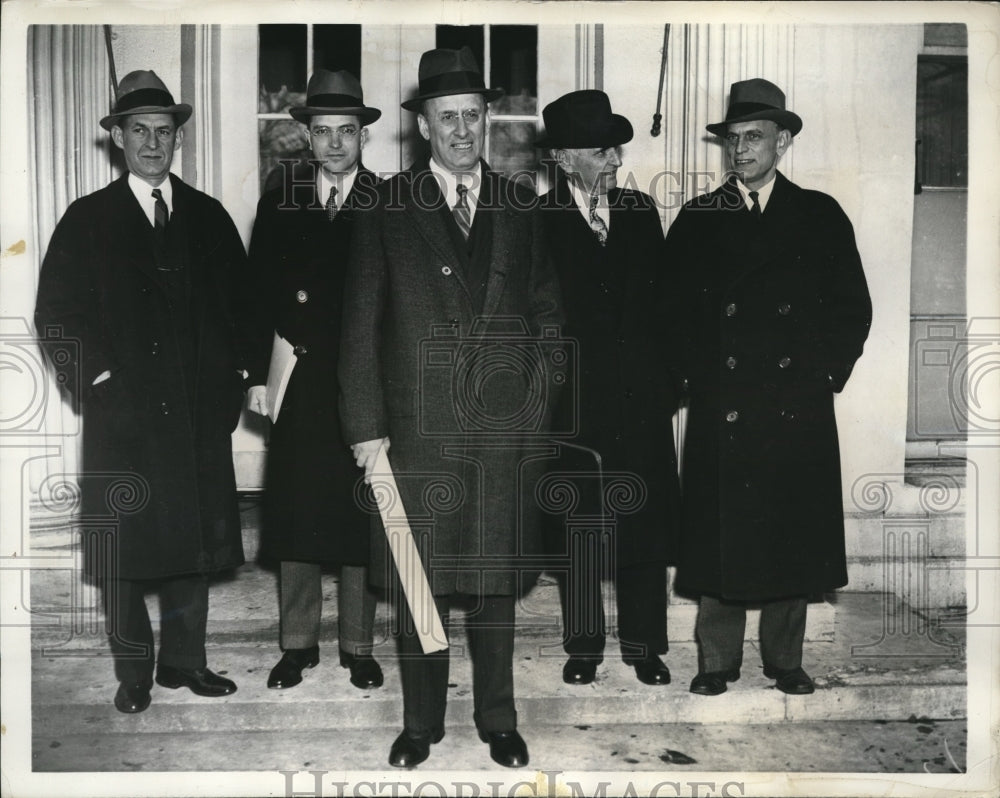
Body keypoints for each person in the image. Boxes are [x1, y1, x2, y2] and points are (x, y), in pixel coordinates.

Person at [338, 46, 563, 769]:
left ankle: (499, 718)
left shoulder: (519, 204)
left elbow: (549, 314)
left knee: (496, 586)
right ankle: (421, 725)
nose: (462, 130)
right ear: (423, 126)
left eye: (472, 116)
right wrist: (366, 431)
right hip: (415, 435)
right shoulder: (385, 207)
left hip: (504, 435)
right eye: (447, 118)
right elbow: (359, 328)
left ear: (486, 120)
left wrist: (538, 396)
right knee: (419, 585)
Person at [35, 70, 247, 713]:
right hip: (122, 415)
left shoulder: (208, 216)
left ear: (177, 140)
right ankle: (134, 672)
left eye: (164, 132)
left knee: (191, 544)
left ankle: (186, 663)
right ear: (119, 139)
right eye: (140, 132)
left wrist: (228, 384)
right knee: (124, 552)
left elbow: (240, 311)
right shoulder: (87, 219)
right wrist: (97, 379)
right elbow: (57, 315)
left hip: (192, 413)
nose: (153, 144)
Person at [665, 78, 872, 696]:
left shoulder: (819, 214)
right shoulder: (701, 218)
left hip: (792, 406)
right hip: (723, 404)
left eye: (753, 137)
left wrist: (824, 376)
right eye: (733, 139)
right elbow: (669, 310)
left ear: (782, 141)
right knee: (720, 536)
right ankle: (716, 661)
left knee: (790, 531)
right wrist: (693, 377)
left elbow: (852, 308)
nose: (740, 150)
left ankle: (786, 660)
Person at [243, 70, 385, 692]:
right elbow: (256, 288)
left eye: (345, 132)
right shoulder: (282, 196)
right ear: (306, 135)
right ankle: (296, 644)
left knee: (360, 510)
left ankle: (358, 644)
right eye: (322, 132)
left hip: (363, 378)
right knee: (298, 509)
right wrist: (255, 376)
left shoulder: (390, 200)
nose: (334, 144)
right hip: (298, 374)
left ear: (363, 136)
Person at [536, 90, 680, 687]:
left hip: (642, 402)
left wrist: (670, 384)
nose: (616, 160)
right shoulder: (536, 222)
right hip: (574, 407)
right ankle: (584, 644)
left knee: (643, 530)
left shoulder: (641, 211)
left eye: (616, 149)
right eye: (602, 151)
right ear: (566, 160)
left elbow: (669, 302)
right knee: (582, 529)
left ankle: (645, 646)